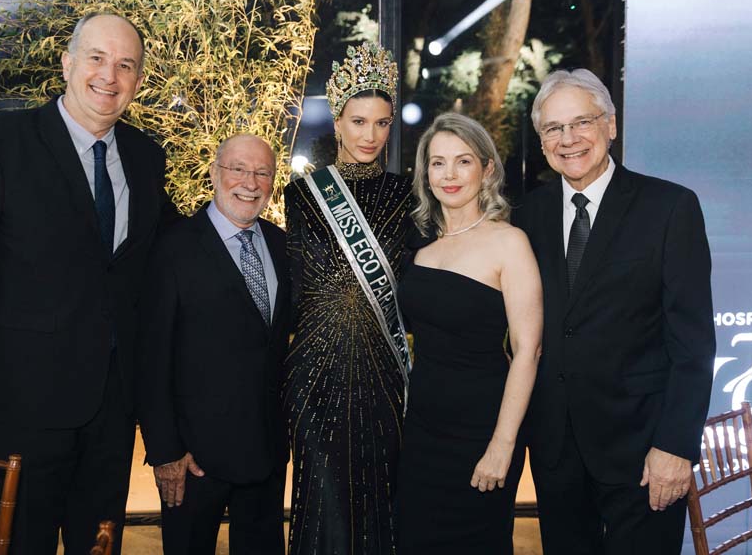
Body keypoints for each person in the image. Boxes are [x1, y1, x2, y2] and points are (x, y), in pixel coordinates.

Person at [0, 12, 168, 553]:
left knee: (99, 545)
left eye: (126, 65)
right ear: (66, 63)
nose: (109, 76)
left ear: (138, 79)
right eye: (97, 58)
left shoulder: (146, 157)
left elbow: (162, 261)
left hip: (110, 411)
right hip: (21, 410)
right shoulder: (0, 140)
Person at [511, 68, 716, 554]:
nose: (569, 139)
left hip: (645, 453)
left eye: (582, 122)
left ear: (611, 125)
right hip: (557, 453)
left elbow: (693, 346)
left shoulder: (670, 208)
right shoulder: (526, 217)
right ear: (542, 142)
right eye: (554, 128)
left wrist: (676, 446)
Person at [283, 42, 413, 554]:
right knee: (322, 503)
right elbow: (296, 285)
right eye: (359, 122)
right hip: (316, 369)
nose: (370, 135)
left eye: (381, 123)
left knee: (381, 495)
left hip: (383, 370)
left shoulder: (407, 195)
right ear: (337, 122)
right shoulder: (302, 194)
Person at [394, 112, 542, 554]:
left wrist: (502, 445)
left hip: (482, 430)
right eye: (438, 163)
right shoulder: (421, 247)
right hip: (422, 430)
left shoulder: (509, 242)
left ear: (487, 169)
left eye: (463, 161)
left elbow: (528, 350)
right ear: (425, 173)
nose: (450, 175)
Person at [135, 134, 290, 555]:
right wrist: (166, 451)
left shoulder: (281, 245)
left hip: (265, 454)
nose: (250, 183)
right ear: (214, 173)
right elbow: (150, 359)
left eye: (262, 173)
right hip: (193, 462)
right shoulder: (172, 248)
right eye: (238, 169)